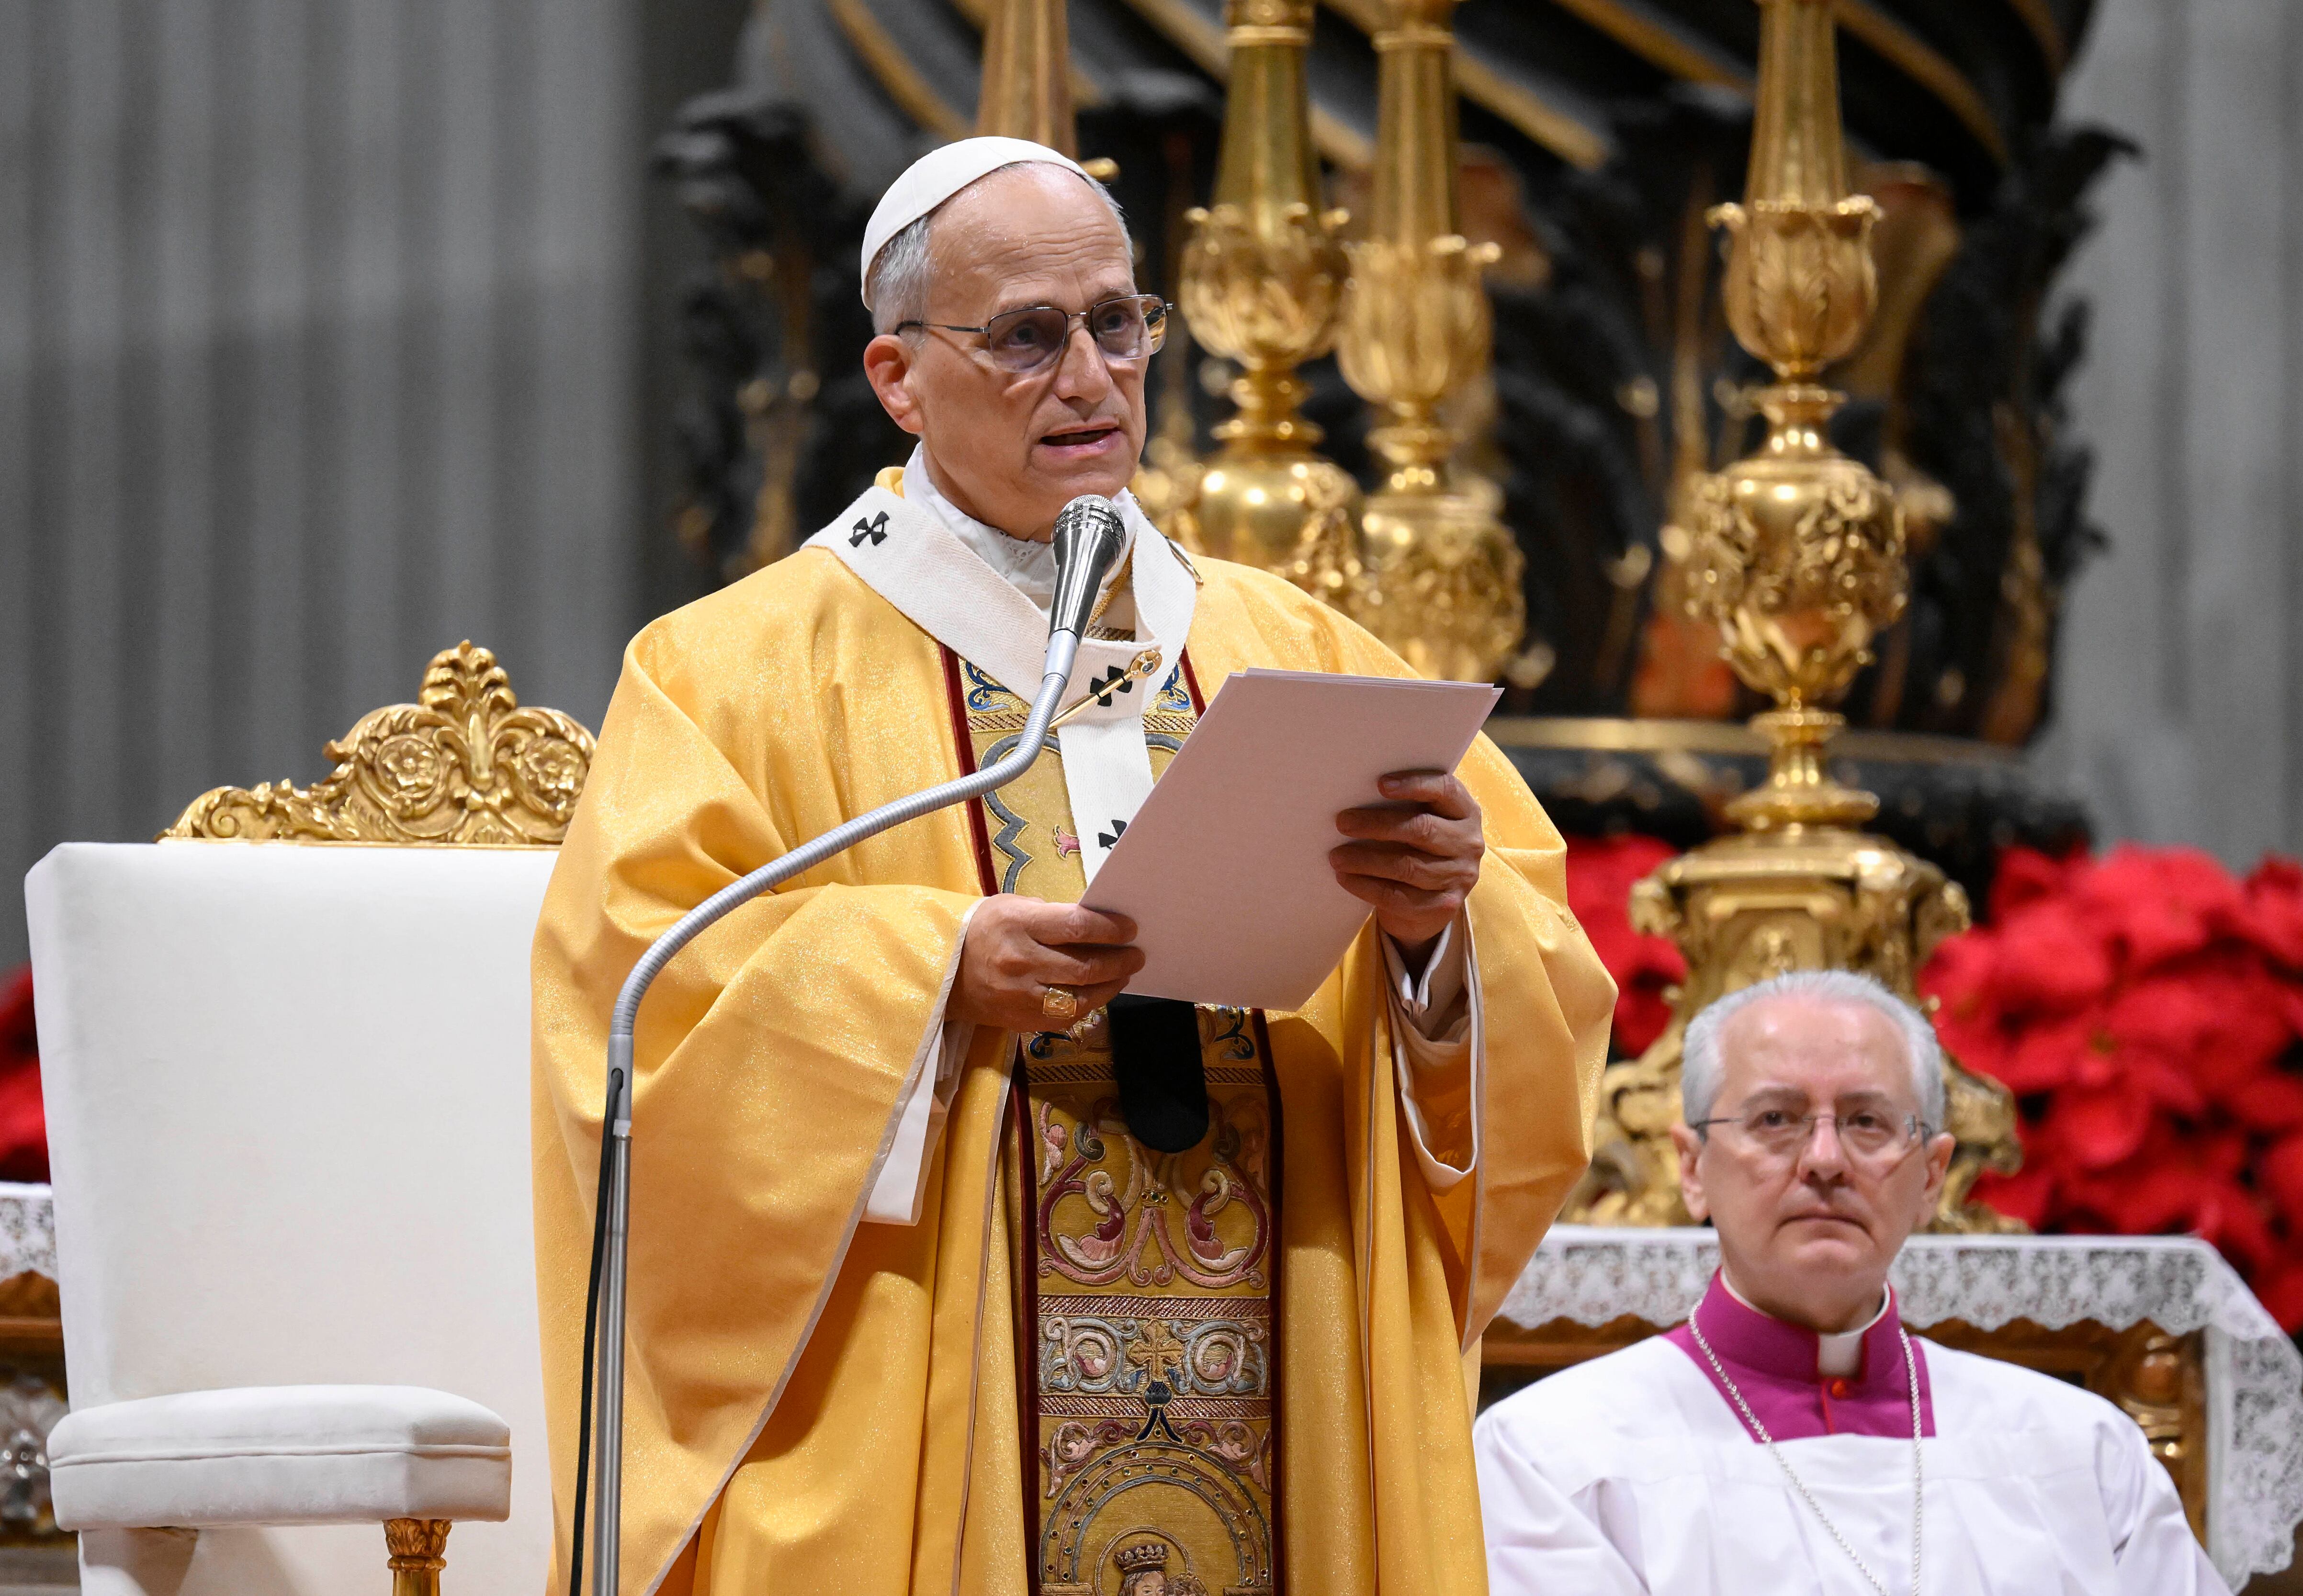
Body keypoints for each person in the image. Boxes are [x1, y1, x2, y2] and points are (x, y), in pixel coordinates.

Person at [531, 135, 1615, 1596]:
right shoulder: (731, 674)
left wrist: (1437, 931)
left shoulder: (1292, 647)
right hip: (928, 1406)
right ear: (897, 377)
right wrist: (929, 971)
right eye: (1028, 338)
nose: (1093, 377)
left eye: (1119, 322)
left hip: (1285, 1354)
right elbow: (633, 1012)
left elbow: (1538, 974)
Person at [1474, 969, 2227, 1595]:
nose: (1826, 1158)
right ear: (1693, 1167)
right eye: (1777, 1118)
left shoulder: (2083, 1453)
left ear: (1932, 1175)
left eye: (1867, 1120)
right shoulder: (1553, 1455)